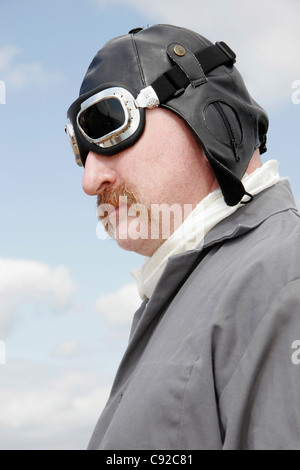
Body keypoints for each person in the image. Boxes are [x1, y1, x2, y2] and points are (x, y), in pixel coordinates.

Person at [65, 24, 300, 450]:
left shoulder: (284, 277)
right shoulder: (185, 293)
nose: (90, 179)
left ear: (204, 109)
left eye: (108, 124)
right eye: (81, 151)